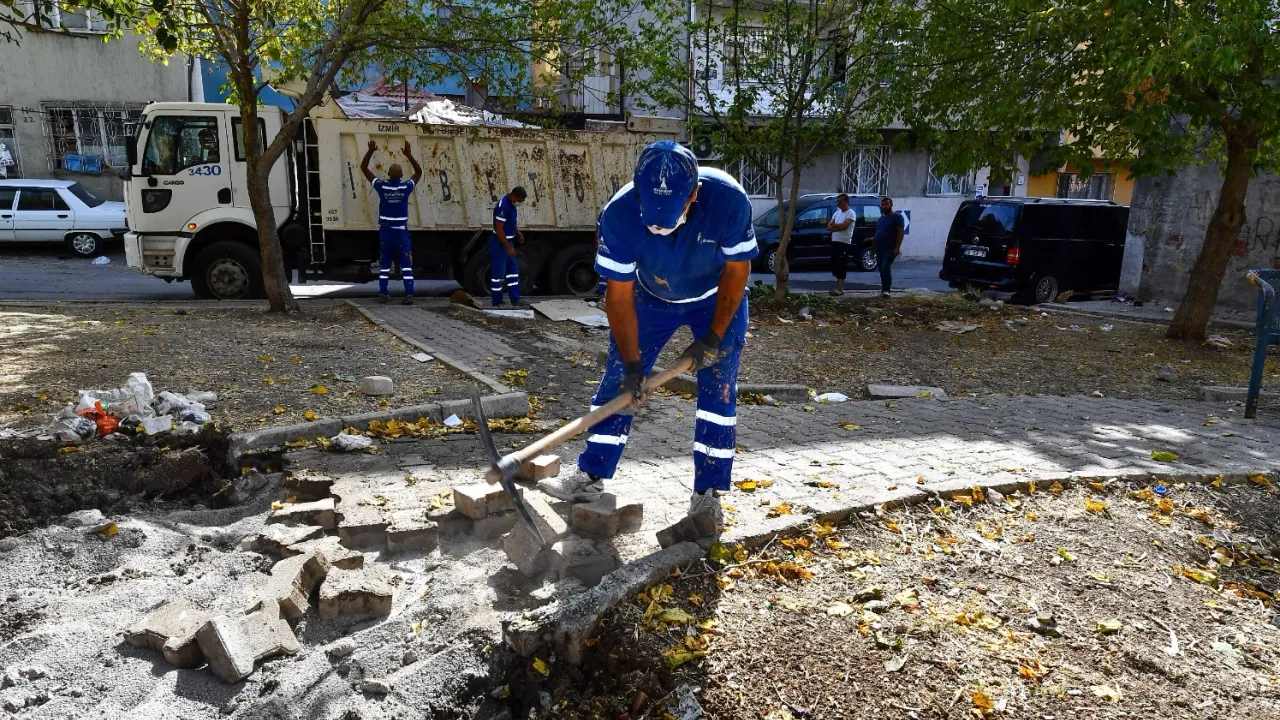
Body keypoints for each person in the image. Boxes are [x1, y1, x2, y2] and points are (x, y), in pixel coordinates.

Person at [538, 141, 757, 531]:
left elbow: (737, 272)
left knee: (718, 392)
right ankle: (591, 475)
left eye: (668, 219)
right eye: (651, 217)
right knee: (617, 383)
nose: (657, 228)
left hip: (715, 298)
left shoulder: (728, 201)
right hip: (650, 298)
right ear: (637, 190)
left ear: (693, 194)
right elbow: (619, 297)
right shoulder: (619, 214)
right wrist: (633, 365)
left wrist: (713, 337)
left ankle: (708, 494)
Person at [361, 139, 422, 304]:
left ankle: (383, 293)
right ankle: (409, 294)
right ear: (401, 176)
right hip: (401, 233)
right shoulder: (405, 188)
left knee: (385, 264)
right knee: (406, 264)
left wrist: (370, 151)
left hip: (386, 232)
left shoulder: (382, 187)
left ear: (388, 175)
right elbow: (418, 172)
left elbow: (364, 168)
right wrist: (409, 155)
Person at [490, 187, 527, 306]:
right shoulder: (503, 206)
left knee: (513, 272)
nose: (519, 203)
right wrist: (508, 248)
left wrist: (517, 232)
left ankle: (515, 299)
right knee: (498, 275)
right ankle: (497, 301)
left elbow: (510, 222)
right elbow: (499, 230)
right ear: (513, 196)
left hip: (508, 241)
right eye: (519, 201)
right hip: (499, 243)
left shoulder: (512, 205)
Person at [825, 193, 857, 296]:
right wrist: (837, 227)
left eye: (840, 201)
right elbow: (828, 226)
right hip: (835, 241)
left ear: (846, 201)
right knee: (834, 264)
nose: (838, 203)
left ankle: (840, 288)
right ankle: (837, 287)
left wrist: (835, 226)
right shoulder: (837, 212)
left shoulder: (850, 213)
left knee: (841, 265)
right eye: (837, 201)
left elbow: (845, 226)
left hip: (844, 243)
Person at [874, 196, 905, 298]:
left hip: (890, 248)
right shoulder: (881, 219)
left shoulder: (897, 217)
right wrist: (872, 248)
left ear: (891, 205)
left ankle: (886, 290)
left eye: (886, 204)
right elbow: (877, 233)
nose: (884, 206)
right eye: (882, 205)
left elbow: (900, 233)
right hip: (879, 248)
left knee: (885, 267)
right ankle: (884, 288)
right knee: (881, 269)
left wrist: (897, 247)